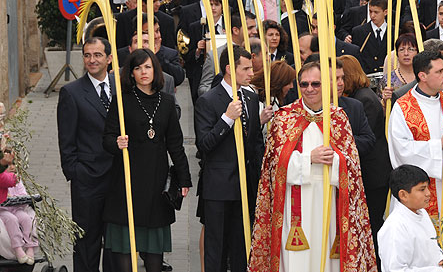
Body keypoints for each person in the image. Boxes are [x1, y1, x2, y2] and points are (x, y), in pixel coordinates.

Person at [248, 62, 377, 271]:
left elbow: (352, 166)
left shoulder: (338, 118)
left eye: (315, 84)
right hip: (295, 204)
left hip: (330, 199)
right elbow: (273, 166)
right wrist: (309, 158)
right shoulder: (284, 117)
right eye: (304, 84)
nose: (309, 89)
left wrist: (336, 159)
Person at [102, 48, 191, 272]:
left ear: (155, 70)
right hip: (127, 180)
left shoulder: (168, 102)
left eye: (148, 67)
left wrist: (184, 178)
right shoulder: (122, 102)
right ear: (131, 73)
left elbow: (176, 144)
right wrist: (117, 143)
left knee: (154, 252)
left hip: (156, 180)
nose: (144, 72)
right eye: (138, 68)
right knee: (124, 248)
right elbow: (107, 138)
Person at [388, 48, 443, 244]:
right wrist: (440, 146)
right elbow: (400, 150)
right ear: (423, 76)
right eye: (439, 72)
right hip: (415, 190)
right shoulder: (403, 107)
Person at [195, 45, 267, 272]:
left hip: (246, 185)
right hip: (218, 186)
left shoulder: (251, 97)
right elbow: (204, 144)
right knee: (216, 247)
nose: (251, 73)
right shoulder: (208, 100)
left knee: (241, 245)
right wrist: (226, 119)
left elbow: (254, 141)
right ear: (229, 69)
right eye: (245, 69)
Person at [57, 37, 116, 272]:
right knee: (86, 244)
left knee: (114, 244)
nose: (92, 60)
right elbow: (66, 141)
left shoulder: (120, 86)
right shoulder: (71, 92)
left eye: (98, 55)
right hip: (87, 183)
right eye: (87, 55)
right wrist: (76, 173)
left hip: (117, 179)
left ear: (109, 58)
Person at [339, 55, 390, 267]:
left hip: (373, 173)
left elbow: (363, 138)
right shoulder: (364, 96)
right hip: (373, 170)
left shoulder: (363, 100)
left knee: (372, 223)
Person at [378, 165, 443, 272]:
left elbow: (431, 247)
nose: (428, 193)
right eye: (422, 189)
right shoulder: (395, 227)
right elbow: (396, 269)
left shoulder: (422, 213)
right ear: (403, 195)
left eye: (427, 187)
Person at [351, 0, 389, 74]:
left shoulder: (394, 32)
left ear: (385, 12)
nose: (372, 16)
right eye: (370, 11)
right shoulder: (358, 31)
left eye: (376, 12)